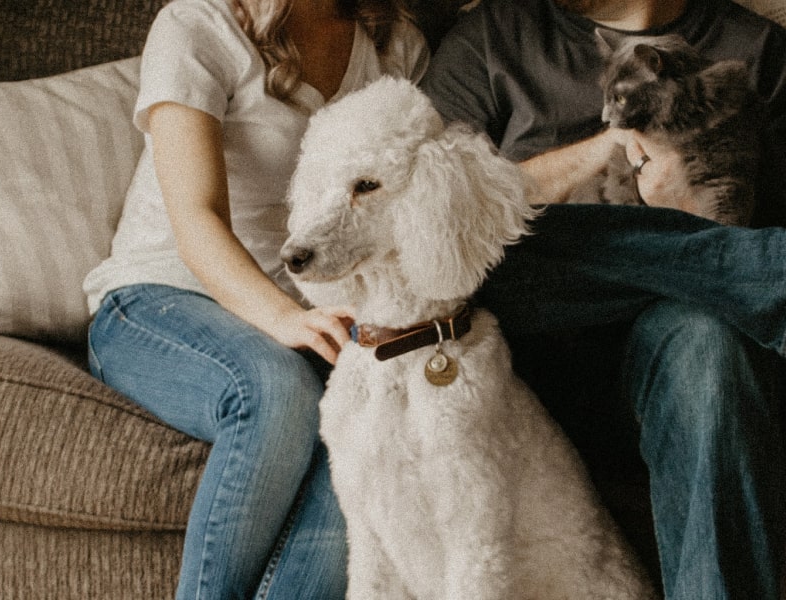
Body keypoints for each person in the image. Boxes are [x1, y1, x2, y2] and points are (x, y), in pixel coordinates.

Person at [421, 0, 786, 598]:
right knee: (485, 251)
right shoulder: (491, 37)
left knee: (711, 344)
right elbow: (429, 210)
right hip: (533, 341)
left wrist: (685, 212)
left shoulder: (757, 50)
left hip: (676, 340)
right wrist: (606, 149)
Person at [83, 0, 428, 597]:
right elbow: (195, 216)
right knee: (276, 388)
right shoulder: (197, 25)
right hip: (157, 299)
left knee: (369, 435)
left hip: (313, 317)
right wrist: (284, 317)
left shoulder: (396, 44)